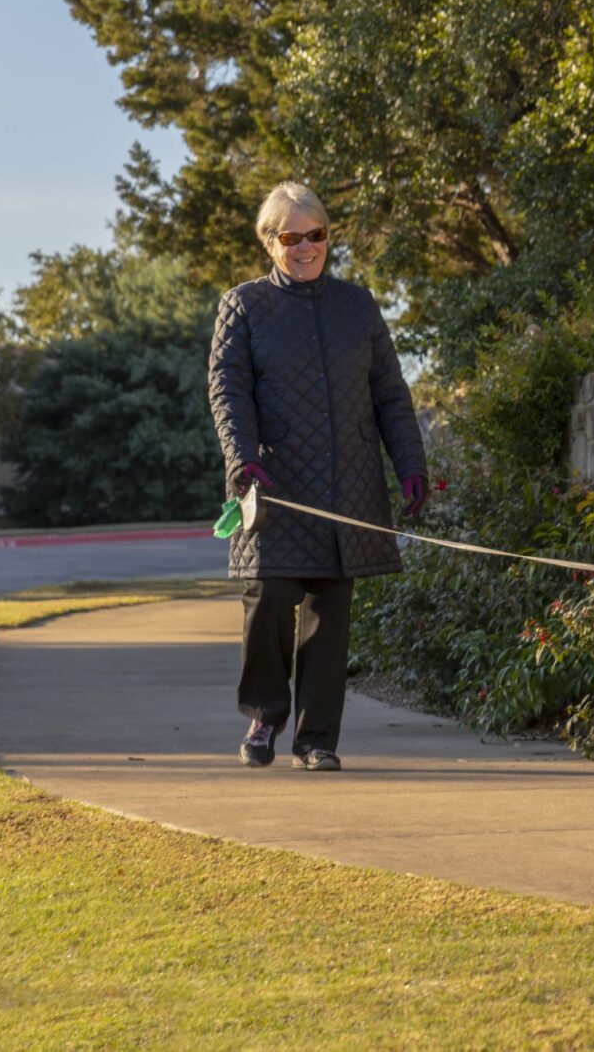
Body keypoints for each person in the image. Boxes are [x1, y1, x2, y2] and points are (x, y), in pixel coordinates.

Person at [208, 183, 428, 771]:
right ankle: (264, 715)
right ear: (270, 243)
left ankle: (317, 740)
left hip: (347, 483)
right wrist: (242, 458)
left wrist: (410, 464)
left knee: (330, 617)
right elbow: (227, 391)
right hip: (272, 483)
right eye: (291, 237)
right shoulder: (244, 305)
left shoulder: (358, 305)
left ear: (327, 236)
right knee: (269, 597)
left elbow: (389, 393)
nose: (306, 247)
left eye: (316, 235)